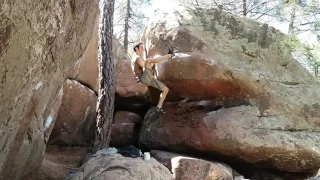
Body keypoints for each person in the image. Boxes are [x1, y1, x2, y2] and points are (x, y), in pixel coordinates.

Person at [132, 42, 174, 113]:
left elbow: (147, 66)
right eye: (141, 48)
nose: (143, 49)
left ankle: (159, 107)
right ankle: (169, 55)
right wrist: (153, 61)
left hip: (148, 78)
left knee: (165, 89)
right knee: (149, 60)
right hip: (143, 79)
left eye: (143, 48)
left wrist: (153, 61)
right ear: (136, 48)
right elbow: (145, 66)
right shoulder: (137, 58)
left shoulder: (137, 57)